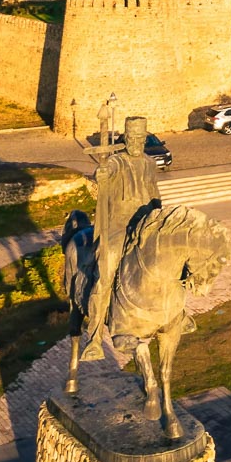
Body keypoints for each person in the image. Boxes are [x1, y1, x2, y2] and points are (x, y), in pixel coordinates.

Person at [79, 121, 161, 362]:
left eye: (140, 140)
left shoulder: (149, 163)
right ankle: (95, 337)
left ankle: (179, 313)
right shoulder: (117, 161)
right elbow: (104, 173)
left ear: (144, 140)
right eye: (131, 139)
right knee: (105, 275)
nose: (135, 144)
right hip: (119, 228)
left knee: (172, 257)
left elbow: (154, 192)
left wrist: (160, 217)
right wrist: (101, 173)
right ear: (126, 140)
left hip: (145, 226)